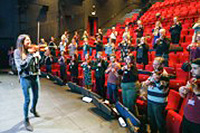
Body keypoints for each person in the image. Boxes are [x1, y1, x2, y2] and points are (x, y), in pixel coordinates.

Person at [14, 34, 41, 131]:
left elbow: (37, 65)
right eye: (27, 41)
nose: (29, 42)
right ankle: (26, 119)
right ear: (22, 42)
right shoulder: (17, 52)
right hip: (25, 78)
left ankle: (33, 109)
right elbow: (22, 66)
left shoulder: (32, 50)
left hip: (34, 76)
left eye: (29, 39)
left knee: (36, 96)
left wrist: (38, 57)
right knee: (27, 99)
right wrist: (30, 55)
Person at [141, 57, 169, 133]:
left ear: (162, 65)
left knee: (159, 122)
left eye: (156, 64)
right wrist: (146, 83)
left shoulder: (164, 75)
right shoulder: (154, 73)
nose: (154, 66)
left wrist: (156, 81)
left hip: (158, 102)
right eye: (153, 64)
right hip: (150, 99)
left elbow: (161, 88)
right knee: (151, 120)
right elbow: (147, 81)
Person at [179, 58, 200, 133]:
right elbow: (184, 96)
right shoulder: (193, 80)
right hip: (187, 118)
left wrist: (197, 92)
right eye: (191, 68)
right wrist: (182, 90)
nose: (191, 71)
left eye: (195, 68)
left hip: (197, 123)